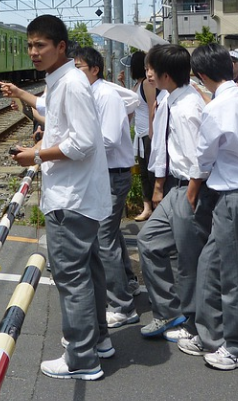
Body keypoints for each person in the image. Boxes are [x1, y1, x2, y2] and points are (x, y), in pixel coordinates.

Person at [8, 14, 112, 381]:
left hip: (72, 198)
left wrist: (35, 155)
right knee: (90, 271)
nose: (33, 52)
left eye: (41, 45)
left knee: (72, 277)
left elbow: (82, 143)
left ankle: (81, 359)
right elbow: (56, 117)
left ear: (61, 47)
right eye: (30, 45)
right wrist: (24, 99)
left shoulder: (70, 83)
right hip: (81, 195)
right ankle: (98, 341)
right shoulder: (65, 81)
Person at [177, 44, 238, 371]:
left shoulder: (215, 108)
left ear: (201, 76)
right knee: (211, 264)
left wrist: (193, 187)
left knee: (234, 275)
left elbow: (204, 156)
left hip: (233, 195)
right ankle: (212, 334)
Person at [137, 44, 212, 342]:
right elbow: (161, 148)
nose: (148, 74)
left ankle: (192, 322)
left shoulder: (188, 109)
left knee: (188, 258)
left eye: (152, 69)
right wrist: (158, 185)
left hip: (188, 188)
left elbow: (200, 159)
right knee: (148, 241)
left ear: (166, 74)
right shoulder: (171, 99)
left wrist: (191, 195)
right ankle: (169, 311)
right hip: (174, 187)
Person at [72, 47, 139, 329]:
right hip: (105, 174)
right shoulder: (90, 94)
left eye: (79, 67)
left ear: (95, 69)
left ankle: (122, 305)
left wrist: (74, 145)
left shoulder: (106, 95)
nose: (75, 73)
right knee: (110, 233)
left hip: (113, 175)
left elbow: (109, 139)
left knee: (104, 237)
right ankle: (129, 281)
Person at [130, 51, 158, 222]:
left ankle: (154, 207)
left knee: (151, 172)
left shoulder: (147, 84)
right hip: (140, 135)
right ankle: (147, 207)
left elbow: (151, 108)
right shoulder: (137, 85)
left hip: (148, 133)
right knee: (143, 173)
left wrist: (151, 130)